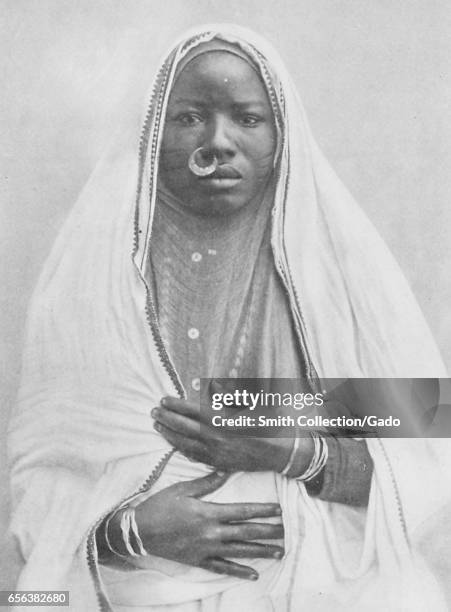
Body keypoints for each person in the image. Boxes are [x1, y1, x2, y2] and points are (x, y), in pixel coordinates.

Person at [7, 24, 451, 612]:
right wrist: (126, 533)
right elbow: (38, 487)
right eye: (189, 117)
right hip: (129, 586)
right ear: (151, 132)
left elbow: (432, 452)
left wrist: (293, 453)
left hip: (333, 582)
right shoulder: (88, 291)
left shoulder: (339, 273)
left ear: (281, 133)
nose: (217, 141)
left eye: (246, 117)